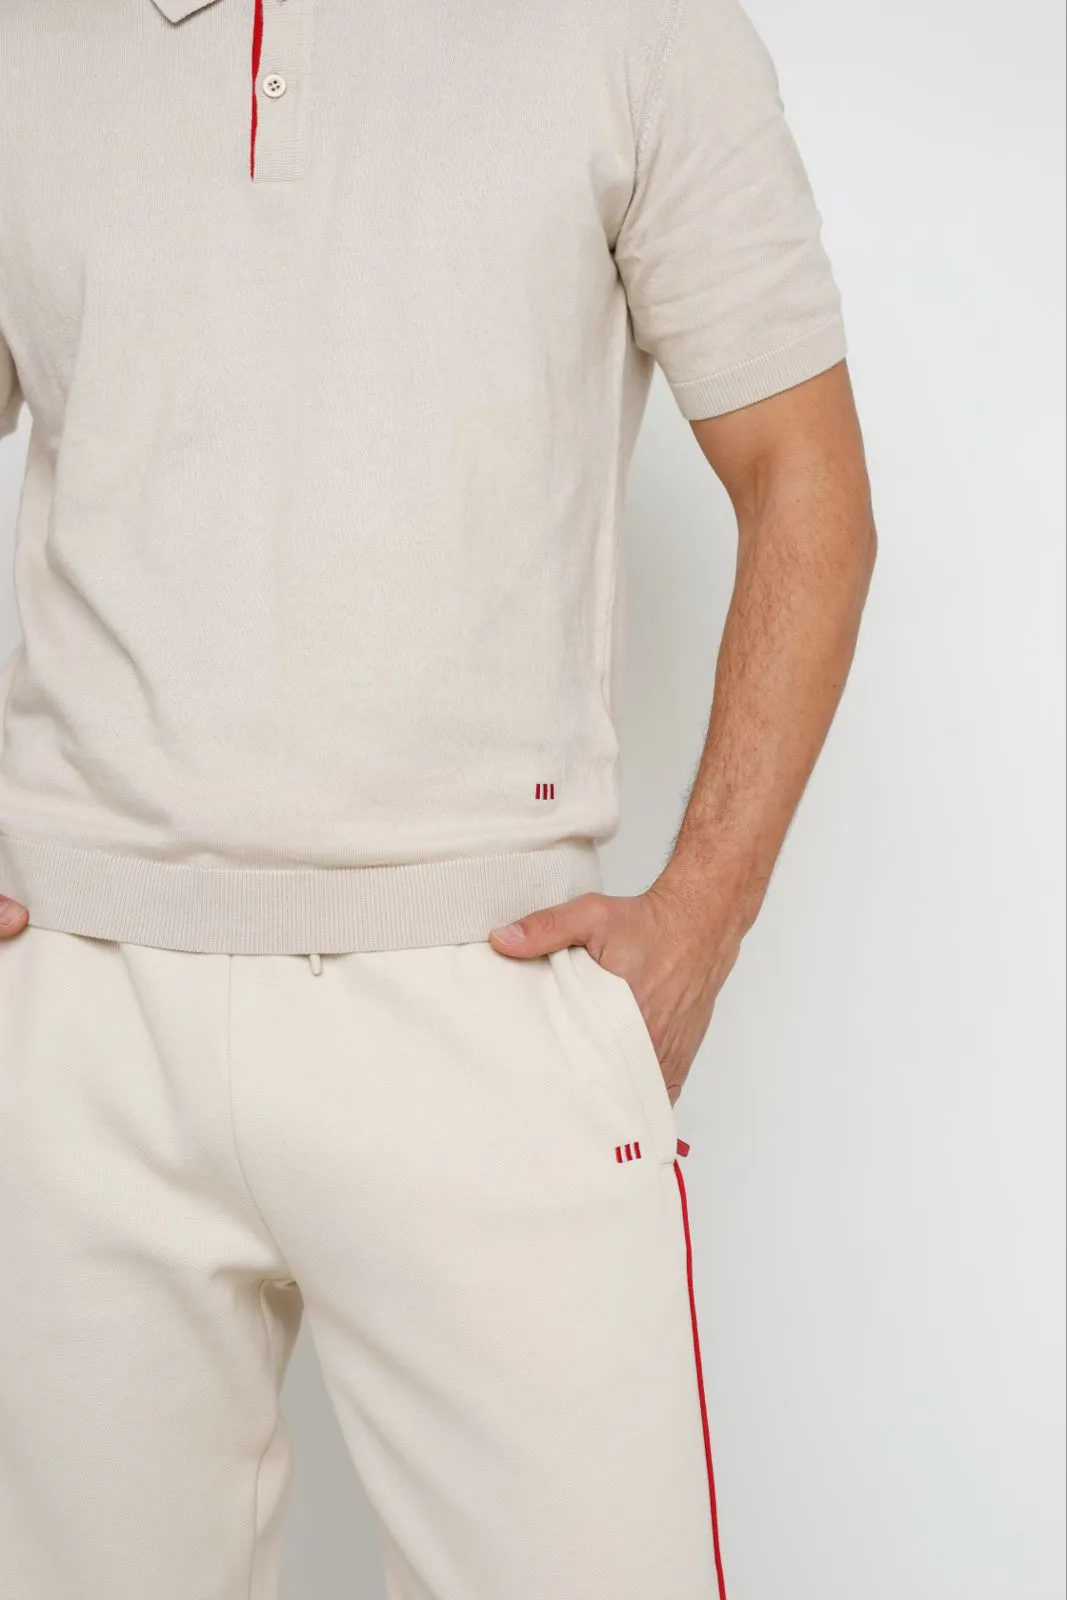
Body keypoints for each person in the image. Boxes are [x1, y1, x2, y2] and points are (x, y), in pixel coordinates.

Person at [0, 0, 875, 1596]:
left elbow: (803, 482)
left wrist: (699, 915)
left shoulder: (635, 28)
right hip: (74, 1008)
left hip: (479, 987)